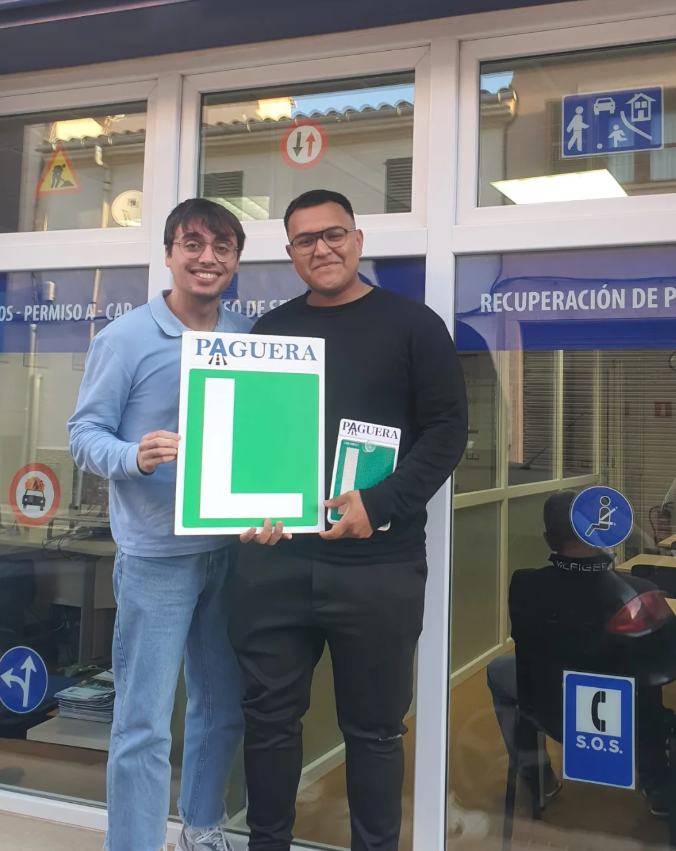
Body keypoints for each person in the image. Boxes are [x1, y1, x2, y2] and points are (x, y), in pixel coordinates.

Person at [227, 189, 468, 851]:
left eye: (333, 234)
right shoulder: (270, 332)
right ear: (290, 253)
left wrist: (379, 502)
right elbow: (254, 440)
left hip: (377, 569)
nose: (322, 248)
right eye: (306, 240)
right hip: (273, 566)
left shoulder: (414, 326)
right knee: (270, 722)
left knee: (375, 730)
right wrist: (249, 504)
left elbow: (448, 433)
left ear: (359, 240)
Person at [68, 198, 285, 851]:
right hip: (156, 557)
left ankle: (202, 829)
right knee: (143, 719)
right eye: (193, 243)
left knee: (221, 705)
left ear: (237, 260)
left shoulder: (247, 339)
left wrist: (275, 500)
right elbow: (83, 435)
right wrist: (132, 456)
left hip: (231, 548)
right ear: (168, 254)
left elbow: (266, 437)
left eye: (222, 246)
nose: (207, 257)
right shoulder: (126, 337)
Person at [487, 490, 670, 818]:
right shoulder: (638, 592)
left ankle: (539, 778)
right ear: (601, 530)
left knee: (497, 670)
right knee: (647, 675)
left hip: (551, 710)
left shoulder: (525, 584)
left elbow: (526, 639)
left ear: (548, 539)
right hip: (628, 716)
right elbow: (666, 663)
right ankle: (657, 784)